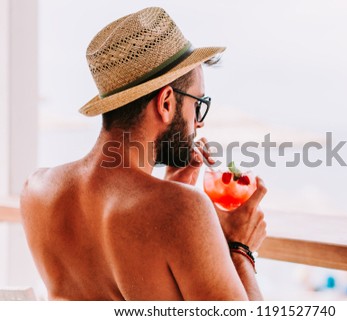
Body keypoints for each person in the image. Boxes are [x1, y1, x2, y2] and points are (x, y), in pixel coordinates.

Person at [20, 7, 267, 300]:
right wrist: (241, 249)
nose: (199, 122)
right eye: (197, 104)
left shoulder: (36, 190)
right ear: (165, 102)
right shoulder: (185, 210)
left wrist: (172, 190)